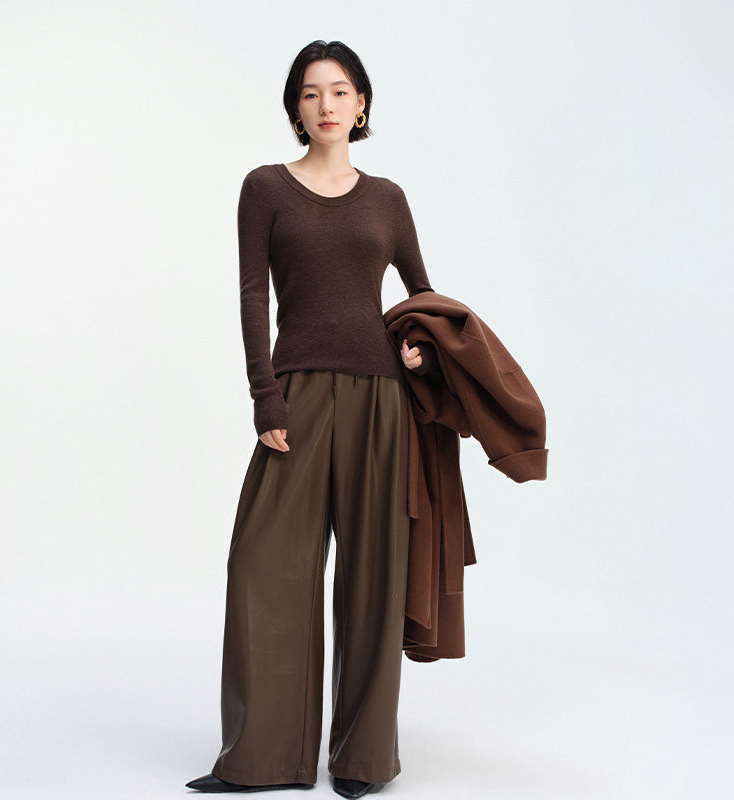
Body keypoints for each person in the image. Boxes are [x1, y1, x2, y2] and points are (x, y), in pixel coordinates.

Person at [186, 39, 438, 799]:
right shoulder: (265, 187)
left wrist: (419, 349)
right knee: (262, 564)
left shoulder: (387, 199)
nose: (325, 105)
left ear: (361, 104)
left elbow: (423, 298)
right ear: (295, 108)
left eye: (339, 91)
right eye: (309, 93)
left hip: (380, 398)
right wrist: (264, 395)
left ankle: (361, 760)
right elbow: (252, 295)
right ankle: (262, 760)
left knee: (372, 573)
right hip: (295, 394)